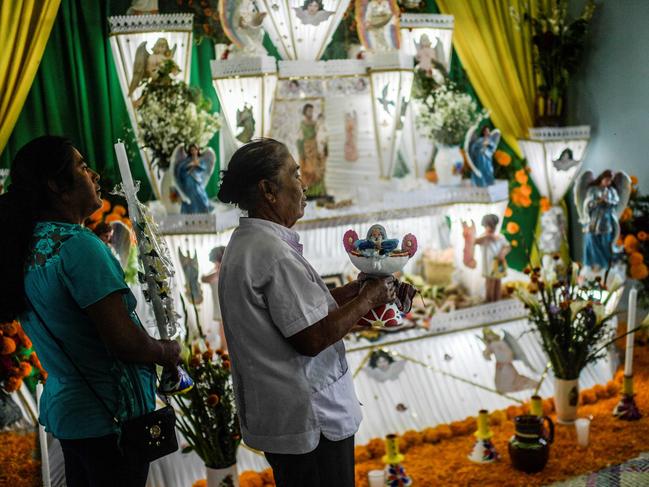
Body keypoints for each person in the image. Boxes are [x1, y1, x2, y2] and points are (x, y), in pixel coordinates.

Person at [0, 136, 180, 487]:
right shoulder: (78, 245)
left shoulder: (28, 243)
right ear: (56, 186)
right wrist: (166, 350)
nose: (95, 175)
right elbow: (124, 342)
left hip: (73, 415)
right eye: (82, 167)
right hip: (110, 419)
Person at [217, 138, 396, 486]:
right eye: (295, 175)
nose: (304, 185)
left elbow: (302, 311)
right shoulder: (272, 254)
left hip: (291, 417)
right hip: (312, 422)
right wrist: (369, 297)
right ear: (269, 190)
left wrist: (355, 290)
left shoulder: (249, 244)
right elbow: (311, 337)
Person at [582, 170, 619, 271]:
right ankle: (593, 264)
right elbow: (587, 204)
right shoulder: (593, 190)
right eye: (606, 180)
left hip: (606, 220)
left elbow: (615, 203)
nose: (608, 182)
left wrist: (607, 201)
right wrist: (597, 202)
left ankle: (605, 265)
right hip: (593, 219)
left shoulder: (612, 191)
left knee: (605, 242)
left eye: (610, 181)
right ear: (602, 178)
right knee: (592, 241)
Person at [472, 214, 511, 302]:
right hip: (488, 266)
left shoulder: (500, 237)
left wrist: (502, 253)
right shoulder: (483, 238)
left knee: (498, 282)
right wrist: (487, 236)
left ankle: (496, 299)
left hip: (498, 265)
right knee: (490, 283)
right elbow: (474, 241)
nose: (491, 229)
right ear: (485, 226)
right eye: (489, 226)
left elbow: (507, 246)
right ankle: (489, 300)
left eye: (493, 226)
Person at [173, 143, 214, 214]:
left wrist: (197, 165)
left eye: (195, 150)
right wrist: (189, 165)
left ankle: (204, 211)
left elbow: (203, 169)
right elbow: (181, 169)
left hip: (198, 181)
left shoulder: (201, 160)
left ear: (198, 150)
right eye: (192, 150)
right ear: (190, 151)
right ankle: (192, 212)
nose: (193, 151)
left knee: (201, 195)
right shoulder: (187, 160)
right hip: (189, 181)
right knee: (191, 197)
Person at [201, 246, 228, 351]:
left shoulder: (223, 271)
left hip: (225, 303)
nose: (214, 263)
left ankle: (225, 350)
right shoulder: (215, 271)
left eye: (215, 261)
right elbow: (204, 279)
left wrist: (218, 270)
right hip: (218, 303)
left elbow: (206, 279)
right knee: (222, 328)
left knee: (224, 329)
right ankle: (224, 349)